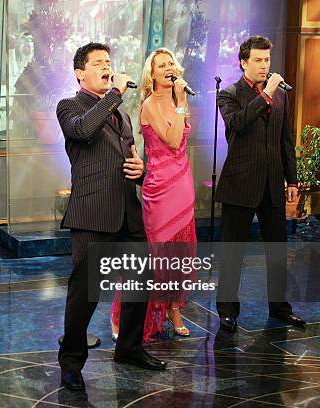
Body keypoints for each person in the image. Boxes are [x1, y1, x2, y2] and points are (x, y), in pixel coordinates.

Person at [56, 42, 166, 392]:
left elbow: (131, 156)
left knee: (138, 285)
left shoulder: (121, 114)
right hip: (93, 215)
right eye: (99, 63)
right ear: (79, 72)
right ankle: (71, 362)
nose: (107, 67)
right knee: (85, 294)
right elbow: (84, 130)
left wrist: (140, 169)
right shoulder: (69, 106)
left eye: (109, 62)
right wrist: (115, 92)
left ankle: (129, 348)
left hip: (127, 214)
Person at [215, 35, 306, 332]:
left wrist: (291, 179)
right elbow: (238, 124)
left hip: (272, 184)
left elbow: (286, 140)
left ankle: (280, 307)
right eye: (258, 60)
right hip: (240, 184)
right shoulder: (228, 94)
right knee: (233, 252)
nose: (265, 65)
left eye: (267, 59)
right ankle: (227, 311)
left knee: (277, 250)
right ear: (243, 62)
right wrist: (265, 93)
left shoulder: (281, 94)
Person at [110, 48, 196, 342]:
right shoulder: (149, 104)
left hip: (182, 184)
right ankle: (122, 314)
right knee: (155, 257)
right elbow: (172, 141)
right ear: (153, 74)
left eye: (171, 63)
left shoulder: (176, 100)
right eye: (162, 65)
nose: (168, 68)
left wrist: (180, 102)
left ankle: (174, 310)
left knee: (181, 253)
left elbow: (182, 146)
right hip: (159, 188)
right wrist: (182, 102)